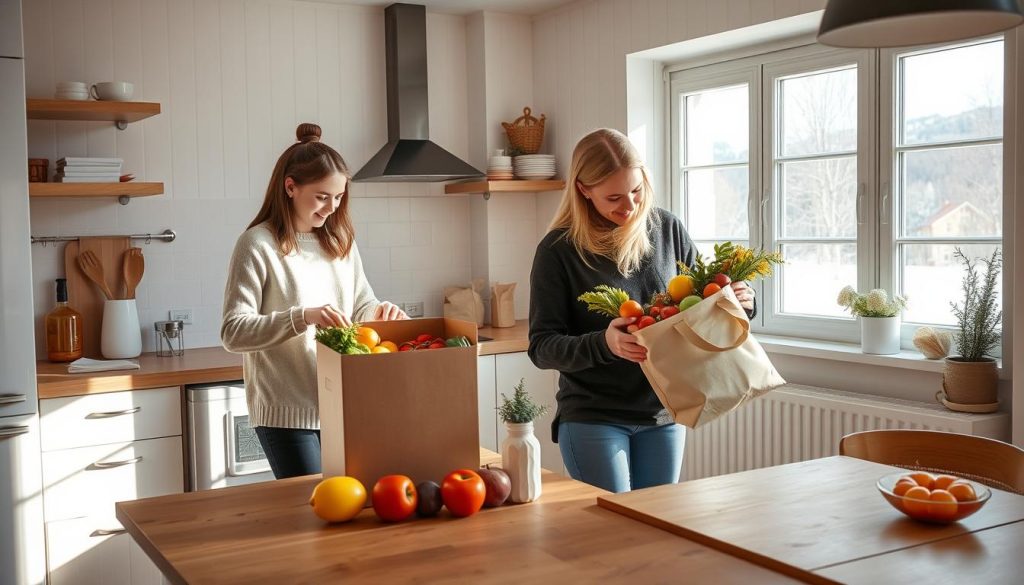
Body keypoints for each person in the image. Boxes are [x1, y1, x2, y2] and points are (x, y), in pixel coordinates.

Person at [527, 128, 755, 493]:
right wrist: (605, 343)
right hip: (593, 415)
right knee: (609, 536)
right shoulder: (558, 251)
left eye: (636, 191)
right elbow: (541, 347)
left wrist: (739, 302)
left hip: (663, 412)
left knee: (659, 532)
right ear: (584, 190)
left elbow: (698, 308)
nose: (630, 206)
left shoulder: (666, 229)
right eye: (613, 197)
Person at [221, 122, 406, 479]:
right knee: (312, 520)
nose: (331, 209)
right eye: (322, 196)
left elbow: (360, 306)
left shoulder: (340, 243)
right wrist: (302, 317)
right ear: (290, 187)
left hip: (344, 405)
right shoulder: (257, 246)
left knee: (351, 513)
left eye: (338, 198)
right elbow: (233, 331)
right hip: (287, 414)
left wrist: (380, 312)